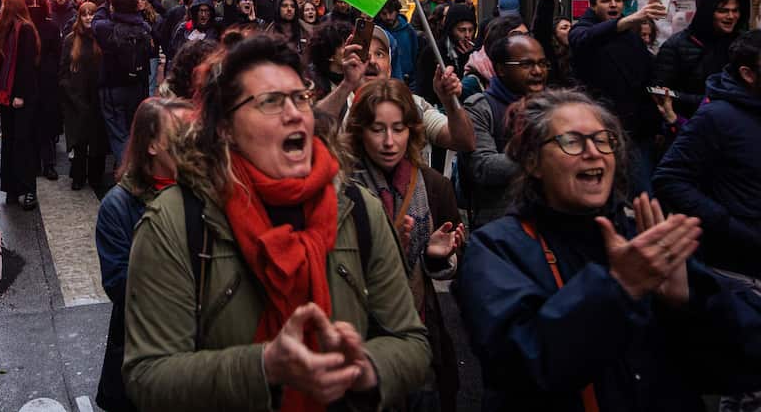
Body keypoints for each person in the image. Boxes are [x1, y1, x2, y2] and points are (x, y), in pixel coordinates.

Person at [123, 35, 430, 410]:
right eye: (270, 101)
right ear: (225, 127)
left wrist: (365, 368)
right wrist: (263, 367)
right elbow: (148, 376)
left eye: (301, 97)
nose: (295, 114)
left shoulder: (358, 209)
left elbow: (412, 343)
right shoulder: (175, 221)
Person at [455, 89, 751, 411]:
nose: (593, 152)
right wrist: (618, 289)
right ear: (533, 162)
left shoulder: (643, 240)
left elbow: (736, 364)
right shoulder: (496, 249)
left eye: (603, 140)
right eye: (572, 142)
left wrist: (691, 302)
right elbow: (519, 366)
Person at [346, 79, 465, 412]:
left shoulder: (435, 186)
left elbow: (452, 269)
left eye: (398, 129)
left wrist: (435, 257)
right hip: (360, 343)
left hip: (421, 334)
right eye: (377, 129)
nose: (389, 141)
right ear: (359, 132)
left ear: (412, 131)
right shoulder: (341, 191)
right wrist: (384, 250)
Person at [95, 98, 192, 412]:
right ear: (151, 146)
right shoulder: (117, 206)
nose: (189, 143)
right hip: (142, 348)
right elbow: (119, 283)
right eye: (178, 134)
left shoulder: (200, 193)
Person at [654, 29, 761, 281]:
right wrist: (729, 224)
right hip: (739, 268)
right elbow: (669, 179)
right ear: (748, 74)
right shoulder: (717, 116)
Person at [319, 24, 477, 155]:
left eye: (379, 54)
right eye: (364, 54)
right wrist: (347, 84)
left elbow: (465, 142)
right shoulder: (339, 106)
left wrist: (449, 101)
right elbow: (314, 133)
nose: (371, 61)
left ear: (389, 68)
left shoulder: (414, 106)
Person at [570, 0, 666, 190]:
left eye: (618, 0)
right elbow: (584, 38)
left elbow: (647, 75)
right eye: (606, 0)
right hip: (601, 126)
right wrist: (630, 19)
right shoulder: (582, 30)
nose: (613, 5)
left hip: (637, 129)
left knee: (642, 190)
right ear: (593, 6)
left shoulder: (630, 35)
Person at [459, 33, 550, 228]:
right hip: (500, 223)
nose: (537, 71)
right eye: (526, 64)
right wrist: (542, 159)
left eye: (542, 64)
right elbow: (483, 167)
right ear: (500, 69)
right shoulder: (480, 108)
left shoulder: (553, 107)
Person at [652, 0, 743, 118]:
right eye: (723, 11)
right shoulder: (675, 46)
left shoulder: (741, 44)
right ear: (707, 12)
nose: (731, 16)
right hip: (690, 122)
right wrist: (707, 101)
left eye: (735, 10)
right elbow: (661, 92)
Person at [0, 0, 41, 210]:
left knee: (22, 142)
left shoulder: (24, 29)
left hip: (19, 95)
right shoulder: (5, 29)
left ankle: (27, 189)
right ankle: (11, 187)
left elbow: (26, 65)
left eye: (4, 6)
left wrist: (20, 94)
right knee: (9, 141)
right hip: (5, 95)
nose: (0, 9)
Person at [94, 0, 155, 167]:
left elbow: (96, 21)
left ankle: (126, 169)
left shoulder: (106, 28)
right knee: (132, 129)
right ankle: (135, 166)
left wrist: (105, 3)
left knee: (118, 133)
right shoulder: (144, 27)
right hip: (137, 86)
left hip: (113, 86)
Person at [60, 2, 109, 191]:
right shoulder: (71, 40)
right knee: (79, 138)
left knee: (97, 138)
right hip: (76, 96)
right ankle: (78, 175)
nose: (89, 18)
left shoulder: (101, 38)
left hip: (97, 95)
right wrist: (68, 90)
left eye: (92, 14)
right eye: (85, 14)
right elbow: (63, 69)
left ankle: (96, 175)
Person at [25, 0, 64, 181]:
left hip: (47, 82)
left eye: (37, 4)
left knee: (47, 125)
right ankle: (33, 163)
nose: (34, 8)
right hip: (29, 80)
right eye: (30, 4)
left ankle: (48, 163)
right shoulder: (23, 27)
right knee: (31, 124)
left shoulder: (51, 27)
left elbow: (58, 53)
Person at [376, 0, 420, 86]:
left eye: (391, 12)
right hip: (387, 80)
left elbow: (415, 55)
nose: (388, 17)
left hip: (409, 80)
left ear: (397, 11)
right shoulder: (379, 32)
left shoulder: (409, 31)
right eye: (384, 14)